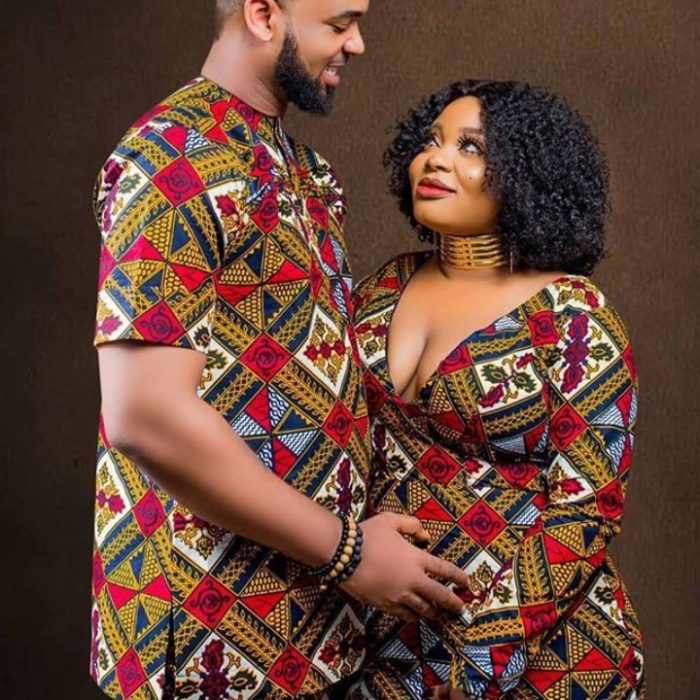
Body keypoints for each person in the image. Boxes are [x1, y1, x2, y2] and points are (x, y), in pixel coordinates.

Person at [88, 3, 472, 699]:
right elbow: (145, 414)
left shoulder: (307, 171)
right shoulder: (176, 156)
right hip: (208, 641)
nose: (357, 44)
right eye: (339, 23)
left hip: (315, 630)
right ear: (263, 14)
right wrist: (349, 553)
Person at [349, 79, 646, 699]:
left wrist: (487, 661)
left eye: (470, 148)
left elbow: (587, 506)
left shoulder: (573, 316)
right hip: (392, 646)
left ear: (527, 175)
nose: (436, 160)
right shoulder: (381, 289)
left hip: (547, 657)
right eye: (431, 141)